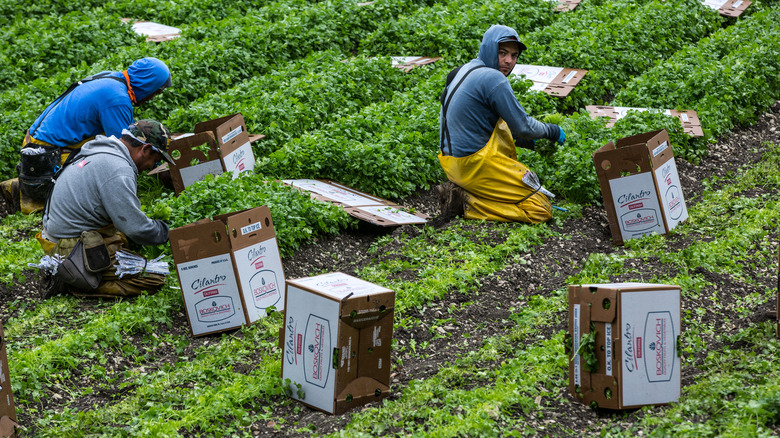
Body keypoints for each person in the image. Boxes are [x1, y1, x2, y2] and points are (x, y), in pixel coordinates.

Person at [0, 57, 172, 214]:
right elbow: (124, 151)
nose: (152, 98)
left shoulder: (111, 79)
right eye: (155, 92)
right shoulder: (116, 99)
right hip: (47, 153)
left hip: (36, 142)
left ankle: (29, 185)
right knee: (105, 162)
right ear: (148, 84)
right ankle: (25, 190)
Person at [438, 24, 566, 223]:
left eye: (514, 56)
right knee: (540, 209)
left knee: (501, 121)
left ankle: (472, 192)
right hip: (474, 165)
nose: (508, 61)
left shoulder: (463, 70)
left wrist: (530, 143)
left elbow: (484, 124)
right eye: (502, 53)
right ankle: (467, 204)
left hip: (452, 163)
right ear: (489, 49)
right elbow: (523, 126)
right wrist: (552, 131)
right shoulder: (494, 79)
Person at [38, 119, 174, 299]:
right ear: (146, 149)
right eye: (155, 162)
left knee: (124, 240)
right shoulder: (118, 169)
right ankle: (78, 281)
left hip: (60, 236)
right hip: (70, 248)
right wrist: (169, 233)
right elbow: (135, 228)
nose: (151, 167)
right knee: (155, 277)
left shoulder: (101, 151)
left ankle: (76, 273)